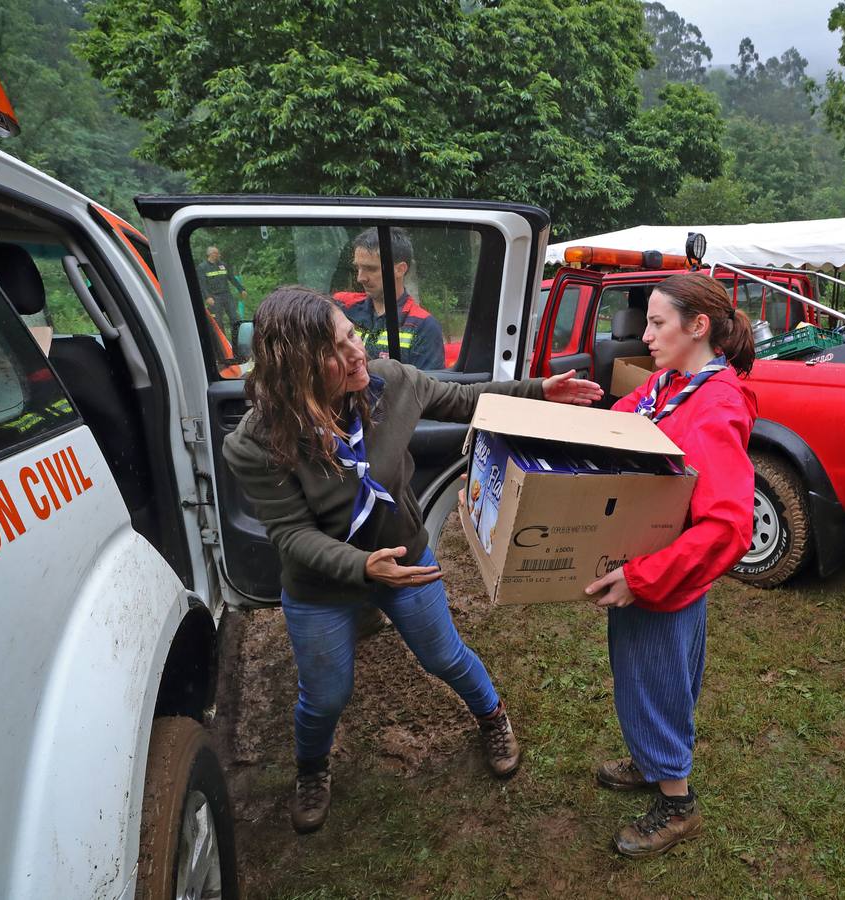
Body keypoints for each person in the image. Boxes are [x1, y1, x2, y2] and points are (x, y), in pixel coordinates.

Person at [222, 286, 601, 835]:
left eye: (351, 334)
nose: (356, 353)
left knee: (444, 656)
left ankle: (493, 716)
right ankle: (311, 768)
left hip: (409, 561)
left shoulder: (389, 382)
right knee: (325, 694)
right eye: (335, 349)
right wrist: (362, 568)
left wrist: (541, 389)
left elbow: (467, 399)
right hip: (320, 585)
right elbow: (291, 534)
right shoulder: (255, 444)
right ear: (296, 367)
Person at [584, 273, 757, 859]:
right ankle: (648, 756)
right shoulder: (669, 383)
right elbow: (628, 418)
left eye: (658, 323)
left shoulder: (715, 403)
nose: (646, 334)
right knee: (641, 674)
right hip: (648, 562)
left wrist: (641, 578)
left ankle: (677, 803)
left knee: (657, 679)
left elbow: (729, 526)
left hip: (664, 579)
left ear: (698, 326)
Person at [333, 226, 447, 371]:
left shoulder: (422, 326)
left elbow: (426, 389)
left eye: (371, 269)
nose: (360, 278)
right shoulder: (340, 306)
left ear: (400, 269)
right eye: (358, 268)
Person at [196, 245, 248, 336]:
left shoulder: (223, 265)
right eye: (216, 253)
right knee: (218, 321)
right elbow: (202, 284)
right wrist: (207, 297)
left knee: (234, 317)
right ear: (210, 254)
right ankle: (223, 342)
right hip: (214, 297)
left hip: (227, 295)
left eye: (218, 253)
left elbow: (232, 278)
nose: (218, 255)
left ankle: (237, 338)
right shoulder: (202, 267)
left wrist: (241, 289)